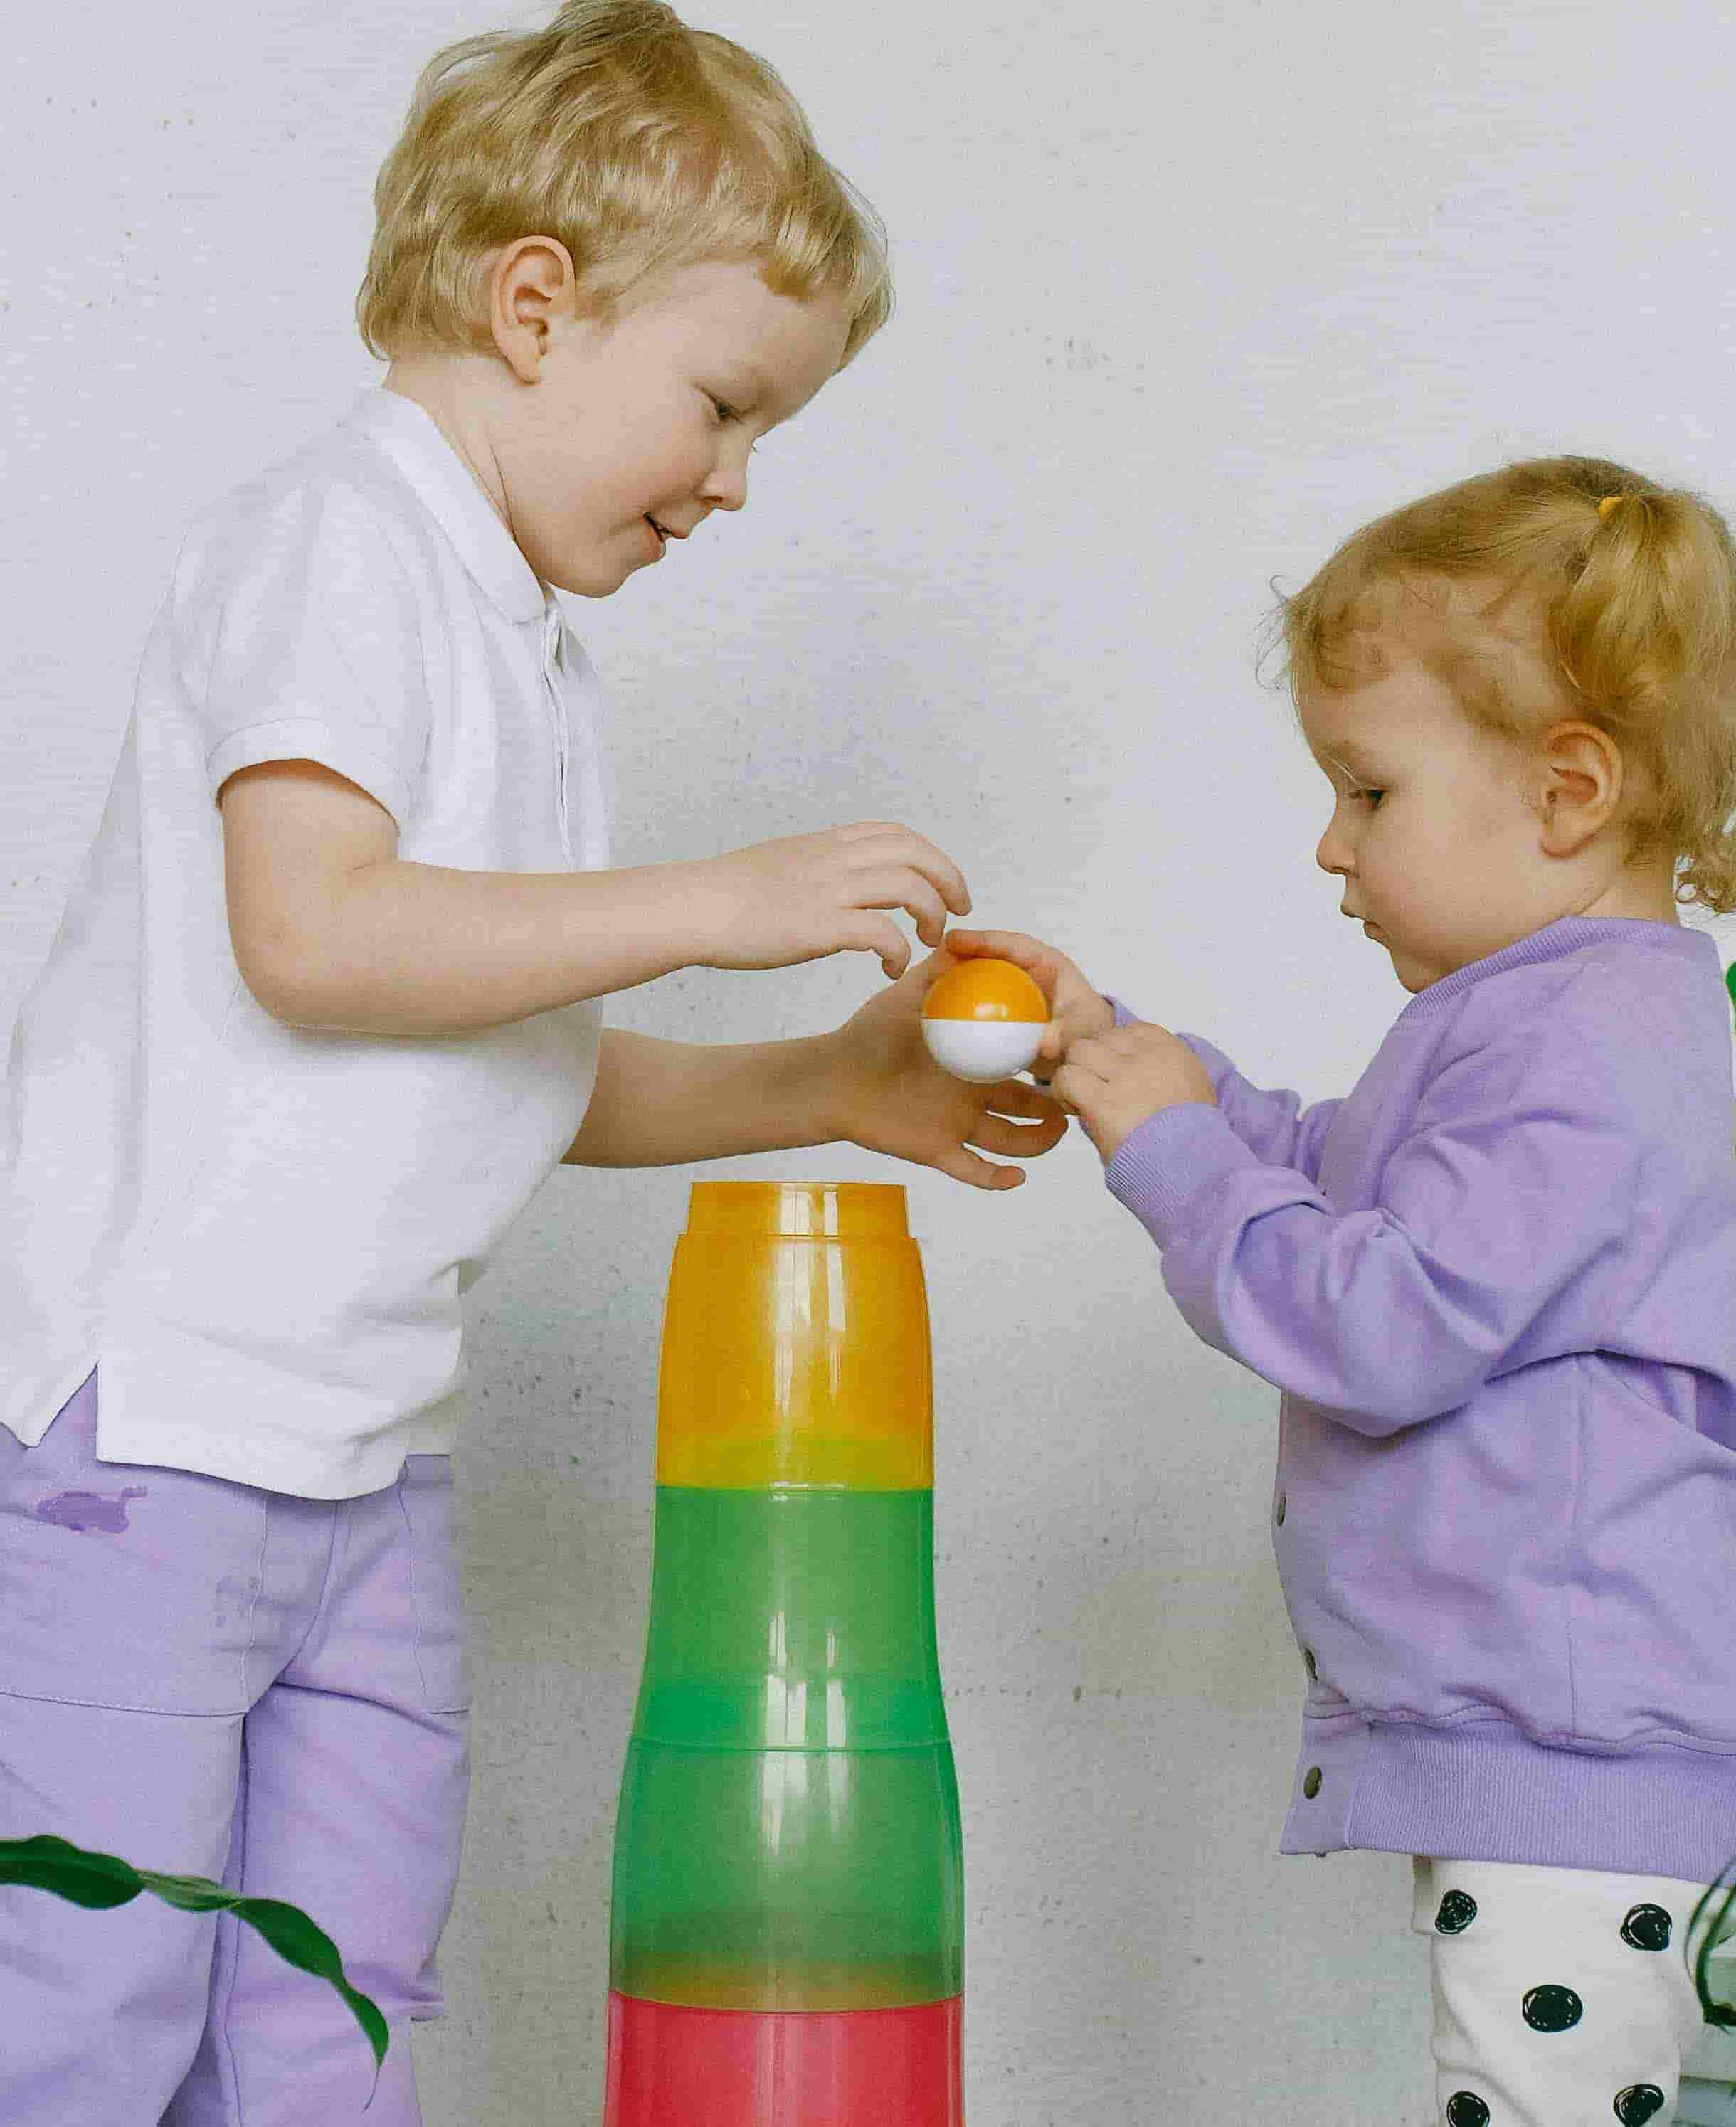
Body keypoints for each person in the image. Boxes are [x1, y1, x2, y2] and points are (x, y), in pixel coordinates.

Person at [0, 4, 1064, 2119]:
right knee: (81, 2002)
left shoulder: (526, 643)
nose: (735, 483)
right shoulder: (344, 540)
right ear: (532, 301)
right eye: (719, 405)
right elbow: (312, 935)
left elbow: (498, 1062)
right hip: (159, 1438)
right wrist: (713, 892)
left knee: (338, 1998)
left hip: (365, 1456)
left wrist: (826, 1081)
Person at [947, 465, 1736, 2125]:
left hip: (1584, 1731)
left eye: (1366, 791)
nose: (1326, 846)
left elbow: (1382, 1320)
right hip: (1564, 1709)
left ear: (1566, 789)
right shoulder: (1532, 1020)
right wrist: (1134, 1065)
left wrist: (1173, 1152)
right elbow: (1344, 1169)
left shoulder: (1577, 1043)